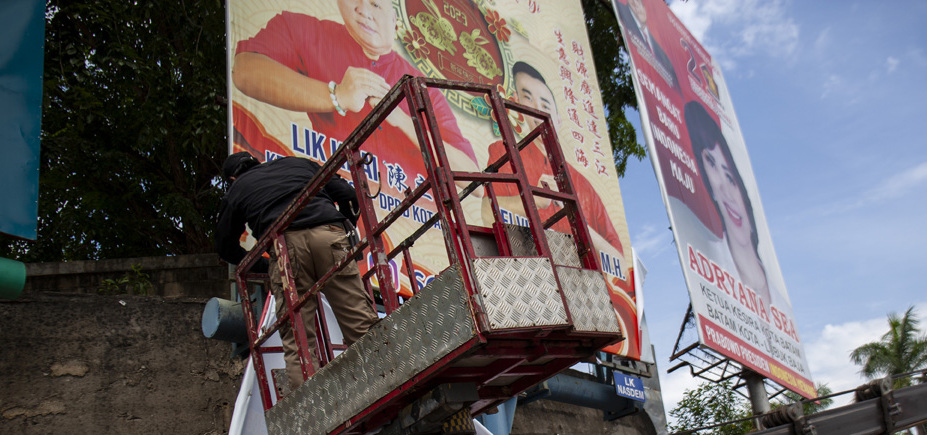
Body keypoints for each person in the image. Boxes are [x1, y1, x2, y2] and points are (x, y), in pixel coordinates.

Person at [231, 0, 477, 182]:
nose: (363, 10)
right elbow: (245, 71)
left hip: (411, 219)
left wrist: (402, 119)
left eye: (375, 5)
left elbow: (472, 179)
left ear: (394, 21)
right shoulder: (307, 31)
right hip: (334, 205)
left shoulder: (423, 88)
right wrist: (336, 95)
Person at [216, 152, 378, 391]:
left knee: (298, 340)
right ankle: (387, 378)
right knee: (360, 321)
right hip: (329, 235)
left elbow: (224, 246)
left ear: (232, 177)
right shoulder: (298, 163)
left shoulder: (237, 188)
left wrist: (263, 266)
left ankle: (312, 413)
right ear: (258, 163)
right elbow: (349, 195)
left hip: (285, 250)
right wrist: (345, 228)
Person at [480, 61, 624, 257]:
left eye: (545, 105)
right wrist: (533, 201)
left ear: (557, 118)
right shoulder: (503, 154)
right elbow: (487, 213)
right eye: (527, 98)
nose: (536, 111)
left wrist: (573, 214)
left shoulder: (584, 187)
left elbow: (620, 264)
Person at [684, 101, 773, 308]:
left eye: (730, 177)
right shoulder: (707, 262)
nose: (725, 190)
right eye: (712, 165)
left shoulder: (781, 306)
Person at [615, 0, 677, 89]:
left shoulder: (662, 51)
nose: (638, 7)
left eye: (640, 3)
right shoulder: (622, 14)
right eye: (634, 3)